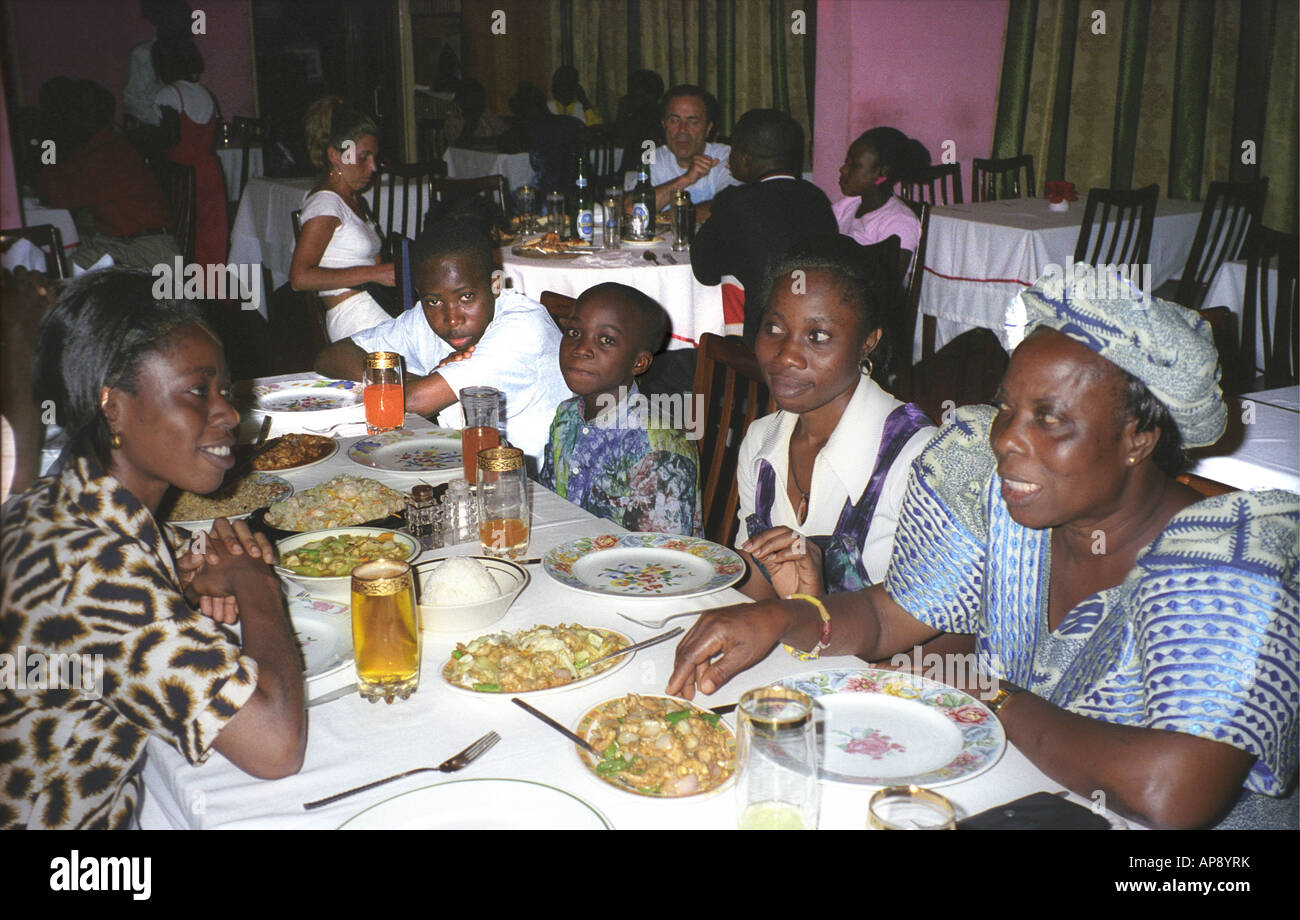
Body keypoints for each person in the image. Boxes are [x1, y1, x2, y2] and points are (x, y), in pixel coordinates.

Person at [668, 271, 1299, 829]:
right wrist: (782, 617)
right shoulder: (998, 505)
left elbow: (1170, 793)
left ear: (1139, 438)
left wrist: (988, 694)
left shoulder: (1231, 561)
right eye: (1006, 408)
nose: (1007, 441)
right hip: (1030, 798)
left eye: (1049, 418)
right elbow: (890, 617)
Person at [0, 269, 306, 829]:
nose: (230, 413)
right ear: (110, 406)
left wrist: (181, 590)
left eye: (225, 389)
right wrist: (255, 584)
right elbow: (275, 745)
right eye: (197, 391)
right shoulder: (91, 568)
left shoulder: (65, 502)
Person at [733, 238, 934, 601]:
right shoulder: (761, 442)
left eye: (818, 336)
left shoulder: (917, 460)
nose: (787, 356)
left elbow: (939, 631)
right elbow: (754, 590)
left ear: (867, 343)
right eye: (774, 328)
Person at [315, 219, 571, 466]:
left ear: (495, 284)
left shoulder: (522, 328)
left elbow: (413, 402)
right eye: (434, 301)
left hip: (535, 485)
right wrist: (426, 378)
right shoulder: (423, 319)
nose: (452, 318)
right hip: (467, 464)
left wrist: (422, 383)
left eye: (467, 297)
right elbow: (331, 356)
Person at [539, 283, 701, 536]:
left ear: (639, 362)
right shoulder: (567, 416)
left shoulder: (654, 448)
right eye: (573, 332)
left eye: (606, 340)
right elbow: (550, 506)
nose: (581, 348)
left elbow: (659, 557)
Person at [690, 109, 838, 346]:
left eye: (733, 153)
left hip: (757, 346)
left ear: (745, 160)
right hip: (815, 335)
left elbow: (704, 273)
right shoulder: (817, 198)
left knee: (665, 368)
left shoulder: (735, 202)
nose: (729, 161)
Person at [37, 79, 180, 270]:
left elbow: (59, 197)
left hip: (149, 250)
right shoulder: (97, 146)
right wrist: (49, 148)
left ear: (85, 116)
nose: (62, 119)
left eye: (67, 112)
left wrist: (48, 144)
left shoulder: (111, 155)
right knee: (48, 254)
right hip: (120, 242)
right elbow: (53, 185)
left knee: (61, 267)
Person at [290, 97, 395, 342]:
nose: (373, 168)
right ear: (335, 155)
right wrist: (374, 273)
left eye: (374, 158)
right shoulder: (326, 203)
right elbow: (299, 278)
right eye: (363, 158)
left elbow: (376, 264)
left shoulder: (356, 201)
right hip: (353, 316)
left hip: (376, 304)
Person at [152, 36, 227, 268]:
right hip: (210, 172)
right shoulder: (205, 93)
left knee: (183, 239)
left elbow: (170, 137)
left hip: (181, 175)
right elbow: (211, 137)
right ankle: (213, 292)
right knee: (211, 237)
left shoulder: (169, 93)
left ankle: (187, 292)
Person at [833, 127, 928, 284]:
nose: (843, 169)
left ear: (882, 174)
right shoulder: (849, 204)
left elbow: (888, 284)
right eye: (846, 162)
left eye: (854, 165)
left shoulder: (899, 221)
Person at [645, 85, 739, 220]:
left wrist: (669, 217)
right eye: (674, 121)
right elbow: (632, 209)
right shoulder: (653, 157)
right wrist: (686, 179)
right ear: (664, 125)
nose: (682, 130)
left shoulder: (725, 156)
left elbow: (729, 206)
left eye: (693, 122)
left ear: (708, 128)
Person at [123, 0, 190, 131]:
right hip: (153, 133)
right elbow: (134, 101)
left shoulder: (185, 54)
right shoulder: (143, 54)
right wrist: (163, 121)